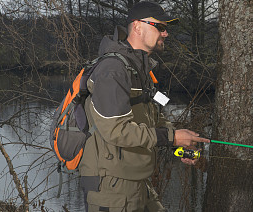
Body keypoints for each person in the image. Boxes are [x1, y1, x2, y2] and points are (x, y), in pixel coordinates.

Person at [78, 1, 210, 211]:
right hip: (111, 188)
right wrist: (171, 137)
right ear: (138, 26)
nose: (166, 34)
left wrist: (178, 142)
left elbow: (154, 118)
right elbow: (116, 131)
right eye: (161, 27)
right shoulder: (112, 70)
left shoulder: (140, 70)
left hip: (137, 181)